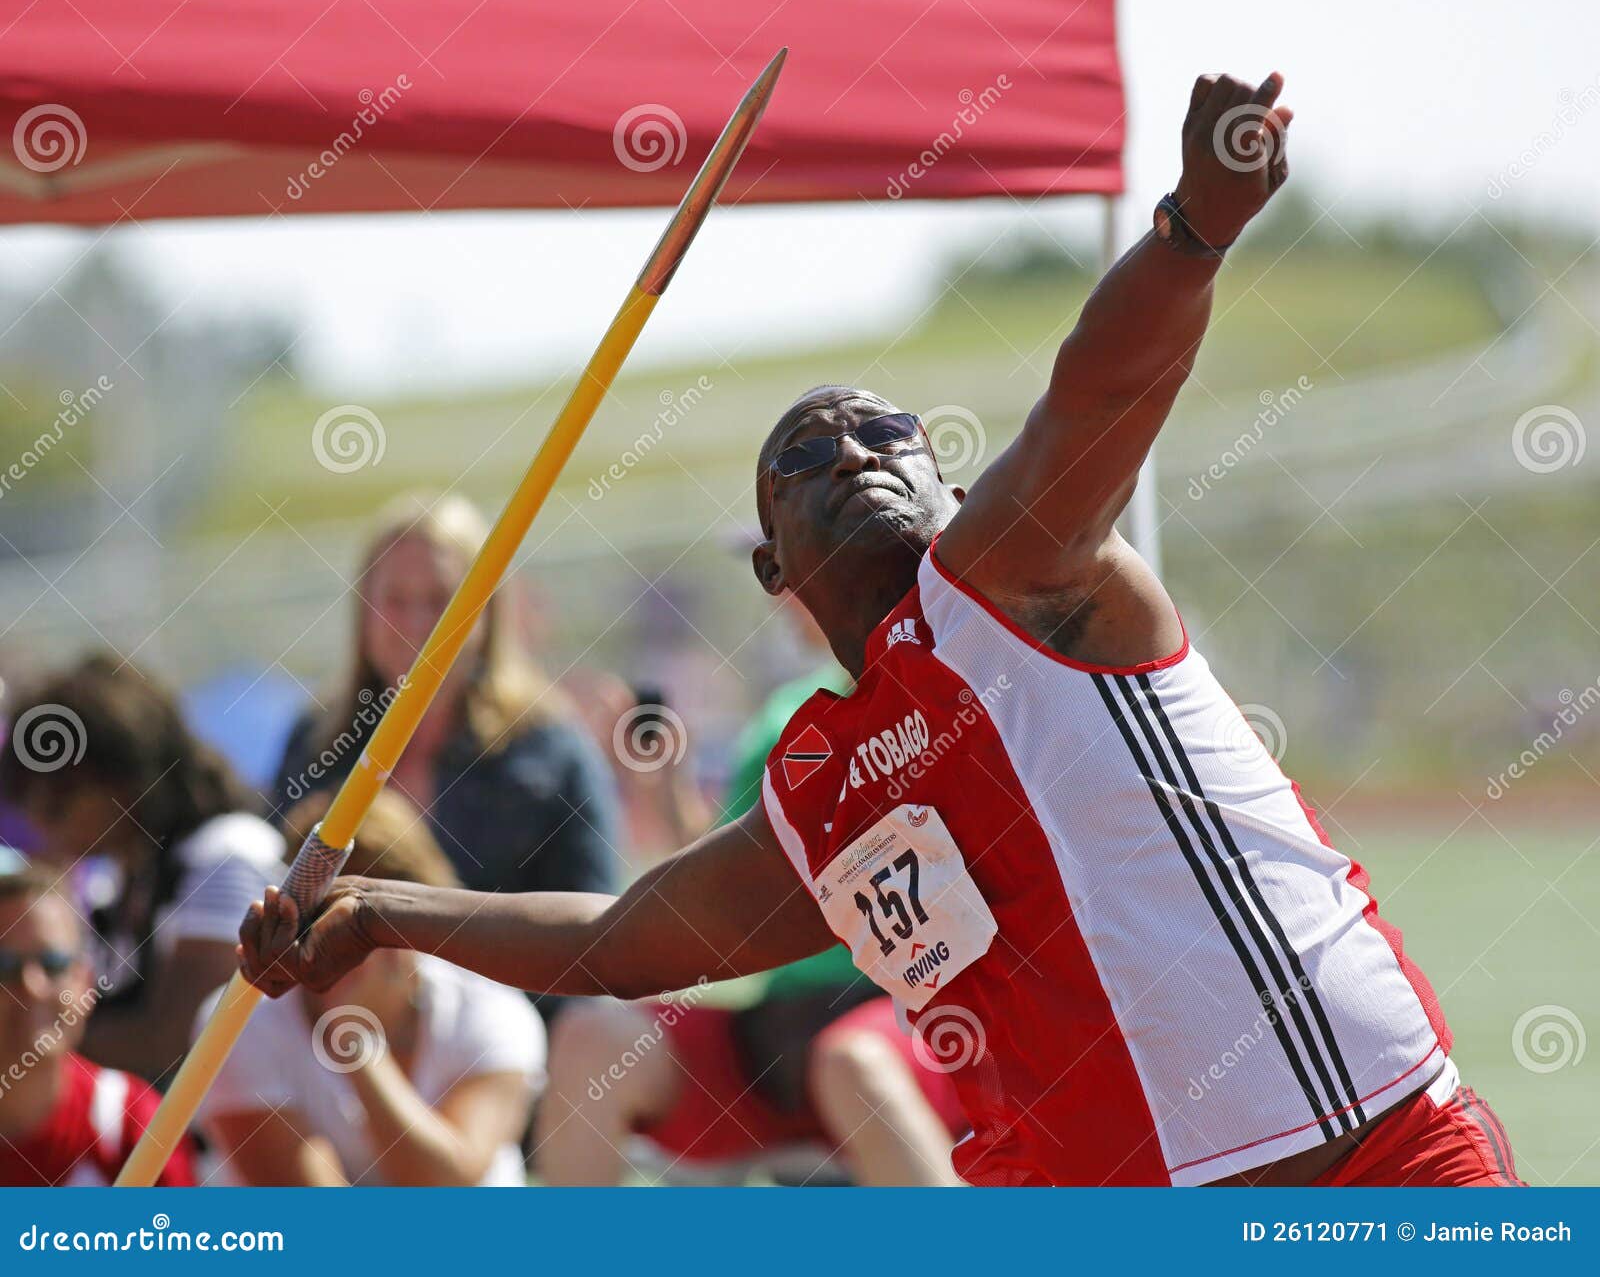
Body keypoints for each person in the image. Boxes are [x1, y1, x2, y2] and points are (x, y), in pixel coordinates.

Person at [239, 73, 1523, 1187]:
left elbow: (1096, 396)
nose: (852, 448)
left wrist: (1190, 232)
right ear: (771, 565)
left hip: (1363, 1157)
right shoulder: (823, 786)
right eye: (802, 453)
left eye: (887, 432)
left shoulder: (1020, 581)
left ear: (951, 487)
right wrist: (375, 911)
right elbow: (621, 942)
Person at [539, 595, 965, 1186]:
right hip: (781, 1037)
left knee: (851, 1066)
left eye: (796, 570)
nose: (780, 591)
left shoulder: (952, 689)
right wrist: (660, 789)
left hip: (915, 1014)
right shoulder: (785, 716)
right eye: (770, 570)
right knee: (590, 1040)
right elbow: (730, 877)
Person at [270, 494, 619, 1018]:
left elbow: (600, 937)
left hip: (512, 1046)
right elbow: (274, 901)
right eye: (396, 599)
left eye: (440, 600)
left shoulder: (551, 755)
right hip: (334, 1041)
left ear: (486, 614)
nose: (416, 622)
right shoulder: (317, 745)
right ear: (363, 613)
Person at [198, 789, 543, 1186]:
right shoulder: (237, 1022)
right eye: (327, 917)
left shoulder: (495, 1012)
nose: (355, 945)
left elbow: (448, 1188)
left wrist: (356, 1037)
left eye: (381, 924)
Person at [0, 654, 284, 1086]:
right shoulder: (114, 883)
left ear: (125, 780)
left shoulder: (227, 855)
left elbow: (171, 1041)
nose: (43, 827)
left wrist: (24, 1042)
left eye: (59, 805)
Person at [0, 861, 196, 1186]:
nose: (31, 986)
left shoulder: (133, 1124)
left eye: (53, 964)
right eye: (4, 965)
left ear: (85, 983)